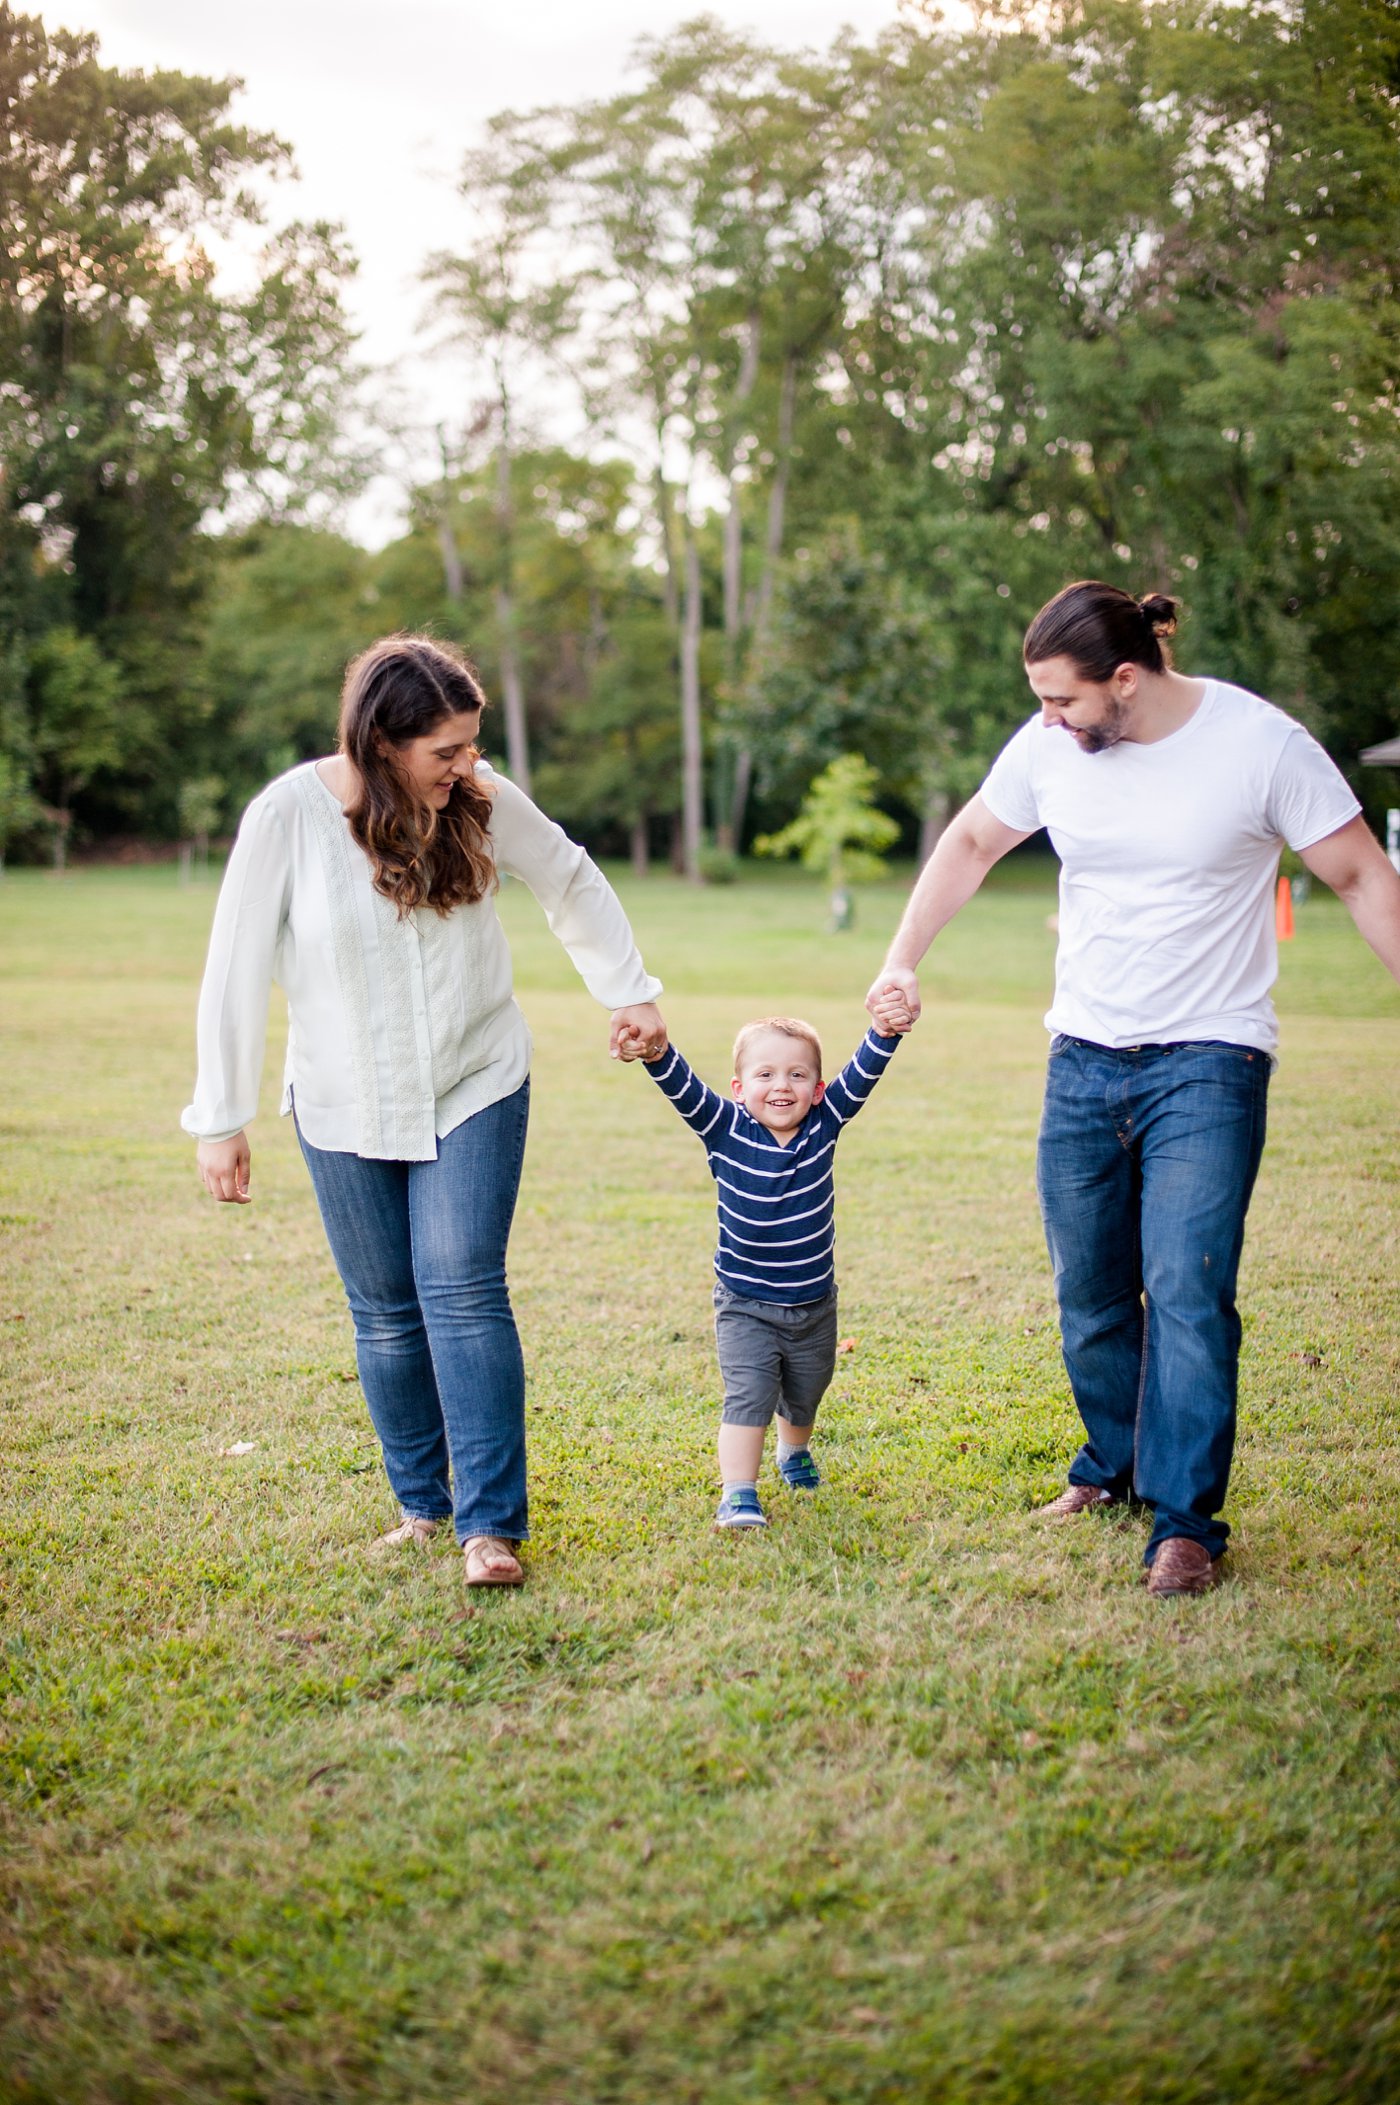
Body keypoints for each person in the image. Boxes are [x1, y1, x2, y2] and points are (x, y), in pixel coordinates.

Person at [867, 580, 1400, 1597]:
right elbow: (973, 840)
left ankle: (1186, 1521)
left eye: (1061, 699)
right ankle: (1109, 1468)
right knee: (1091, 1289)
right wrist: (901, 956)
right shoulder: (1048, 749)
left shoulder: (1259, 744)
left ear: (1125, 677)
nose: (1045, 720)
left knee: (1189, 1290)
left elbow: (1360, 876)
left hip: (1209, 1055)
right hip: (1080, 1053)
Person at [183, 634, 667, 1587]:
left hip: (474, 1078)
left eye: (472, 744)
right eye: (446, 750)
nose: (467, 766)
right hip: (338, 1095)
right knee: (386, 1314)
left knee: (460, 1284)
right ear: (383, 741)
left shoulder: (478, 801)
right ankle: (422, 1508)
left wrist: (629, 989)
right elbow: (233, 964)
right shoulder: (287, 816)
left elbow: (566, 874)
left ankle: (489, 1527)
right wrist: (220, 1115)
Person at [618, 1002, 911, 1530]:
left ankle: (792, 1451)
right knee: (748, 1395)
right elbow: (681, 1086)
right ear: (738, 1087)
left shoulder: (824, 1124)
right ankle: (738, 1493)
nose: (782, 1085)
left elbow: (862, 1074)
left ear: (818, 1089)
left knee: (807, 1390)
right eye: (766, 1074)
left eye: (798, 1075)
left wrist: (884, 1031)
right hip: (745, 1305)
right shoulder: (725, 1128)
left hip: (814, 1304)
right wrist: (655, 1053)